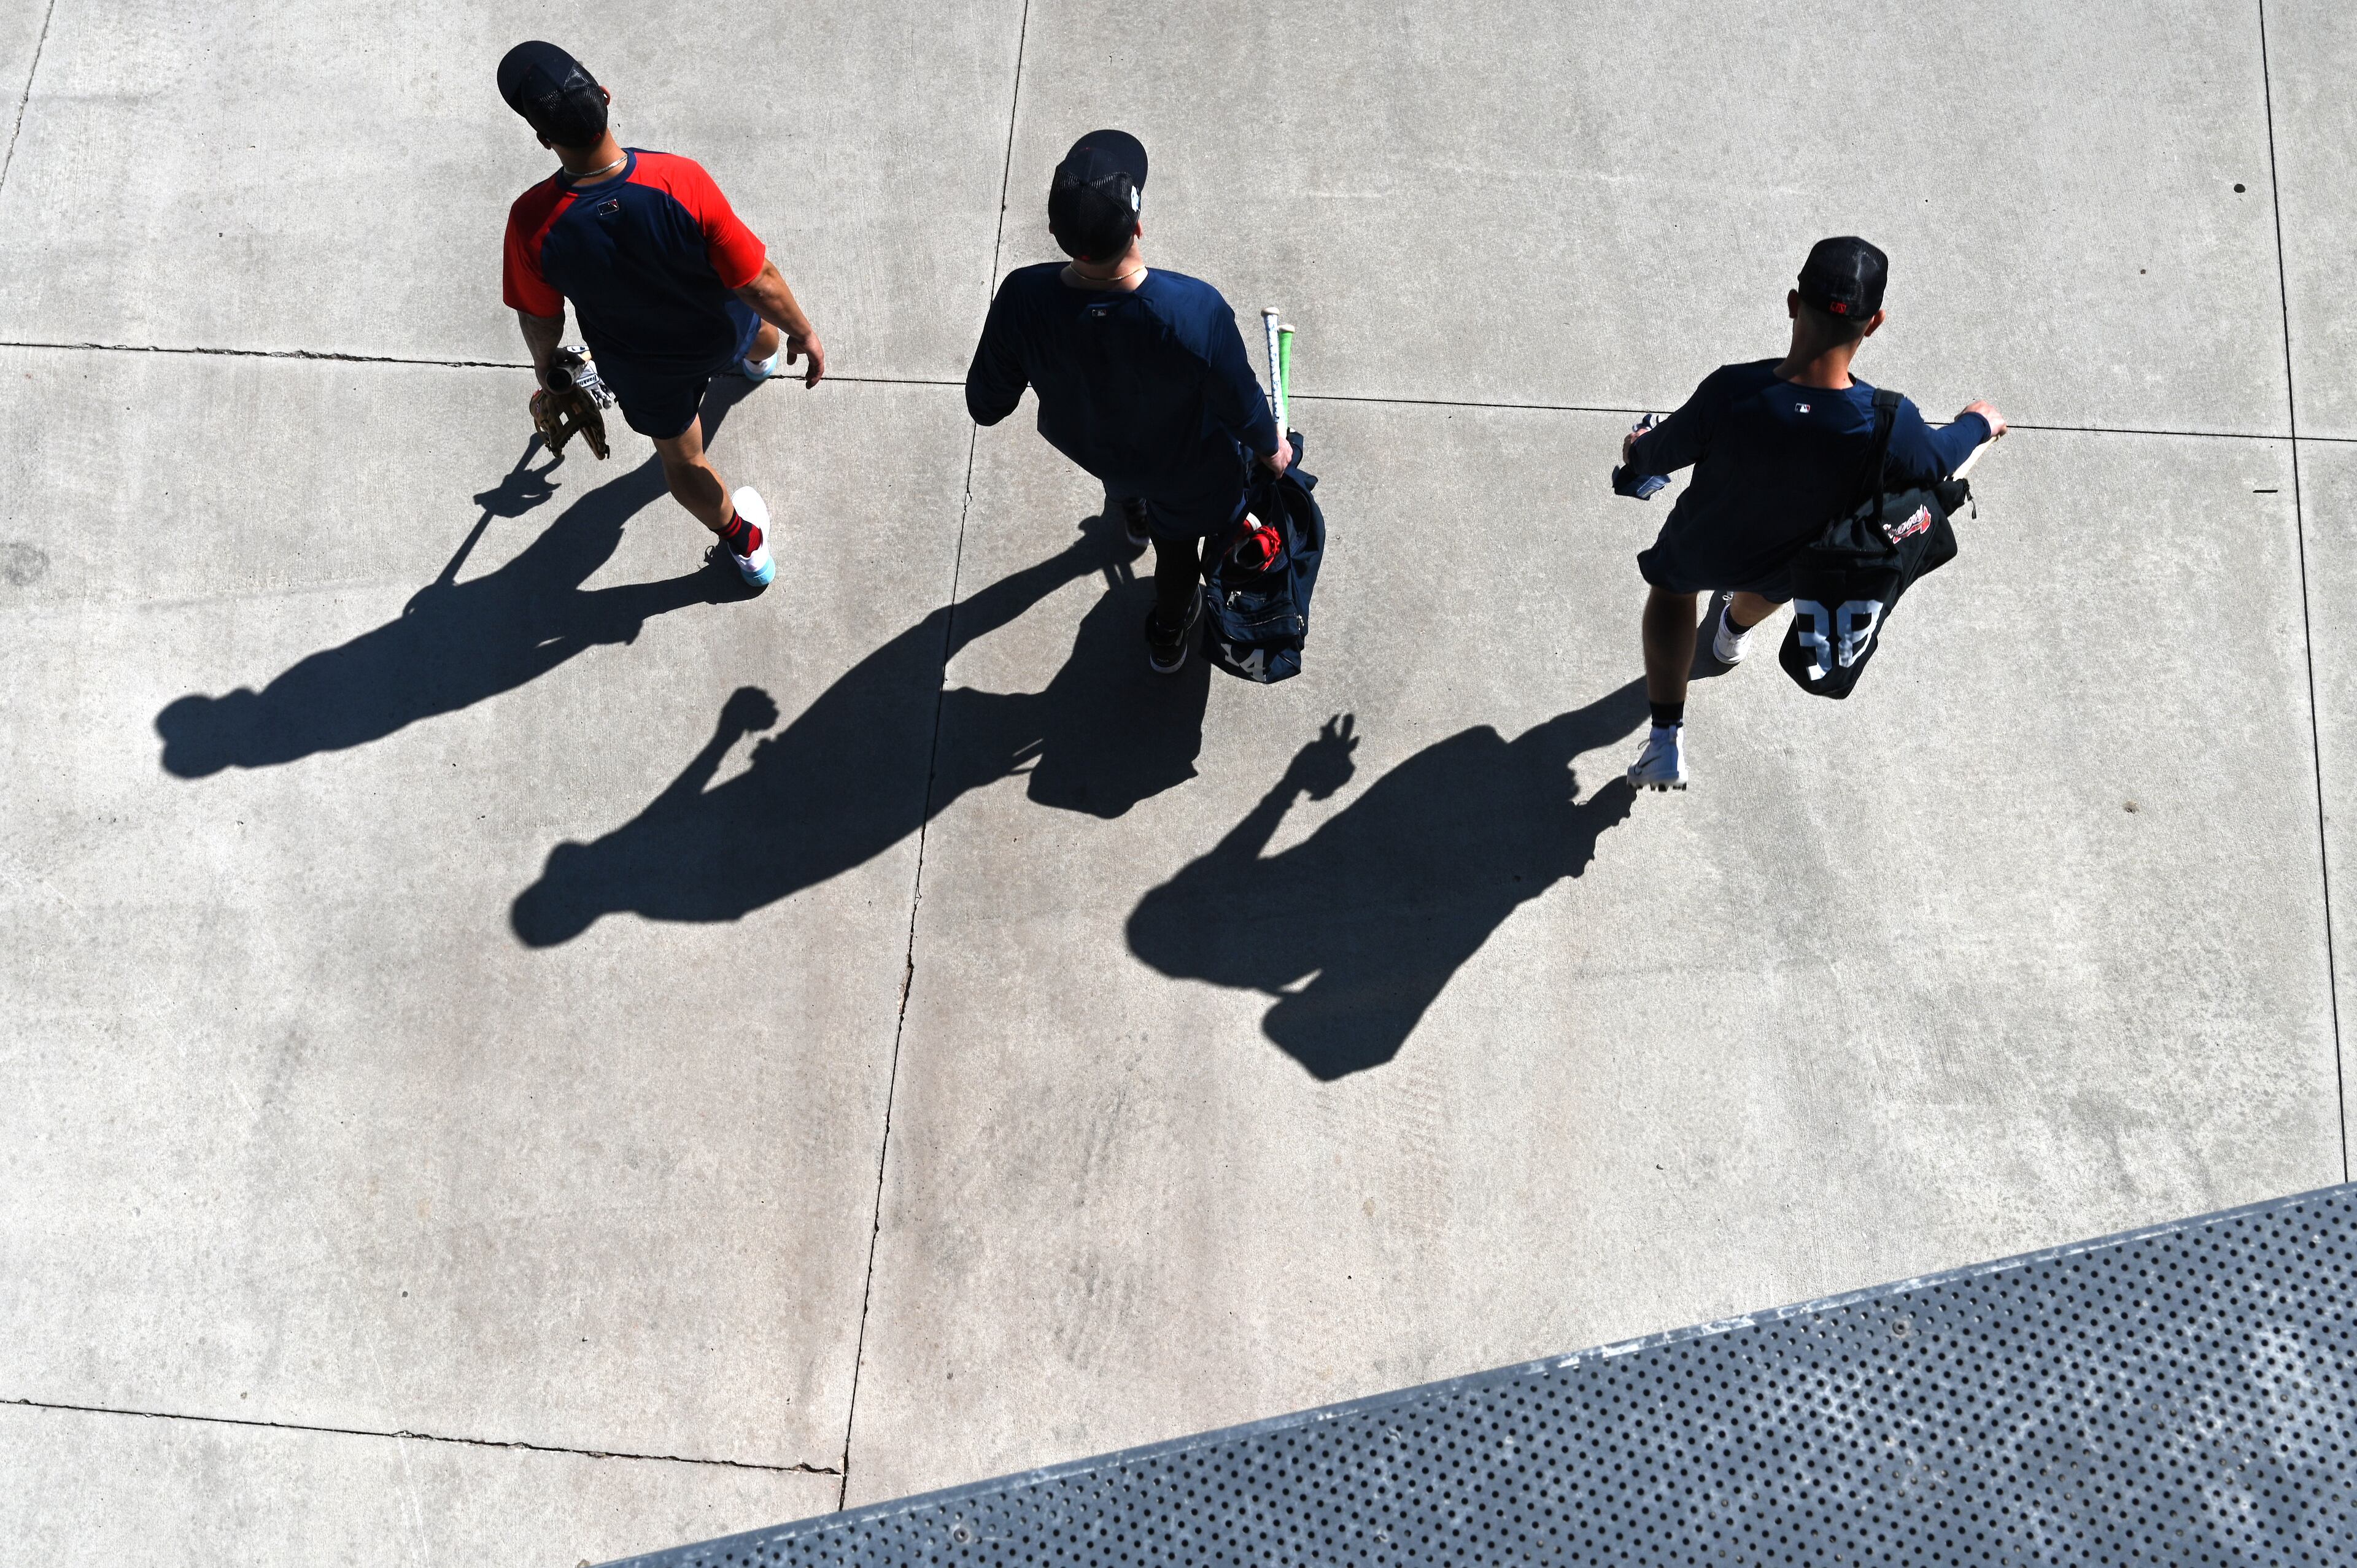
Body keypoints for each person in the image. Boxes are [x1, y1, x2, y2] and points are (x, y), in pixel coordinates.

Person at [1617, 236, 2005, 790]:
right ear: (1874, 324)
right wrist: (1979, 421)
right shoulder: (1887, 420)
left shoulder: (1732, 390)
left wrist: (1636, 446)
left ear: (1794, 303)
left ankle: (1665, 739)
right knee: (1772, 586)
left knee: (1673, 592)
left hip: (1705, 541)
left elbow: (1658, 454)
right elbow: (1940, 458)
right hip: (1793, 557)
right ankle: (1729, 634)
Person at [497, 41, 826, 589]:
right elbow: (755, 281)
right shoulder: (680, 179)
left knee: (684, 463)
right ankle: (757, 365)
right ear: (605, 96)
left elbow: (540, 318)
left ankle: (749, 551)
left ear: (542, 139)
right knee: (759, 334)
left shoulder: (532, 223)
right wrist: (805, 332)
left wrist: (545, 366)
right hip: (716, 330)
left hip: (641, 366)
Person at [966, 129, 1290, 674]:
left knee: (1127, 475)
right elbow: (1242, 403)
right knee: (1179, 549)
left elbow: (986, 405)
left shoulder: (1023, 298)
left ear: (1056, 232)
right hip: (1188, 470)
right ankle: (1168, 631)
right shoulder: (1195, 311)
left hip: (1100, 448)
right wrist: (1271, 448)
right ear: (1137, 224)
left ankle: (1132, 508)